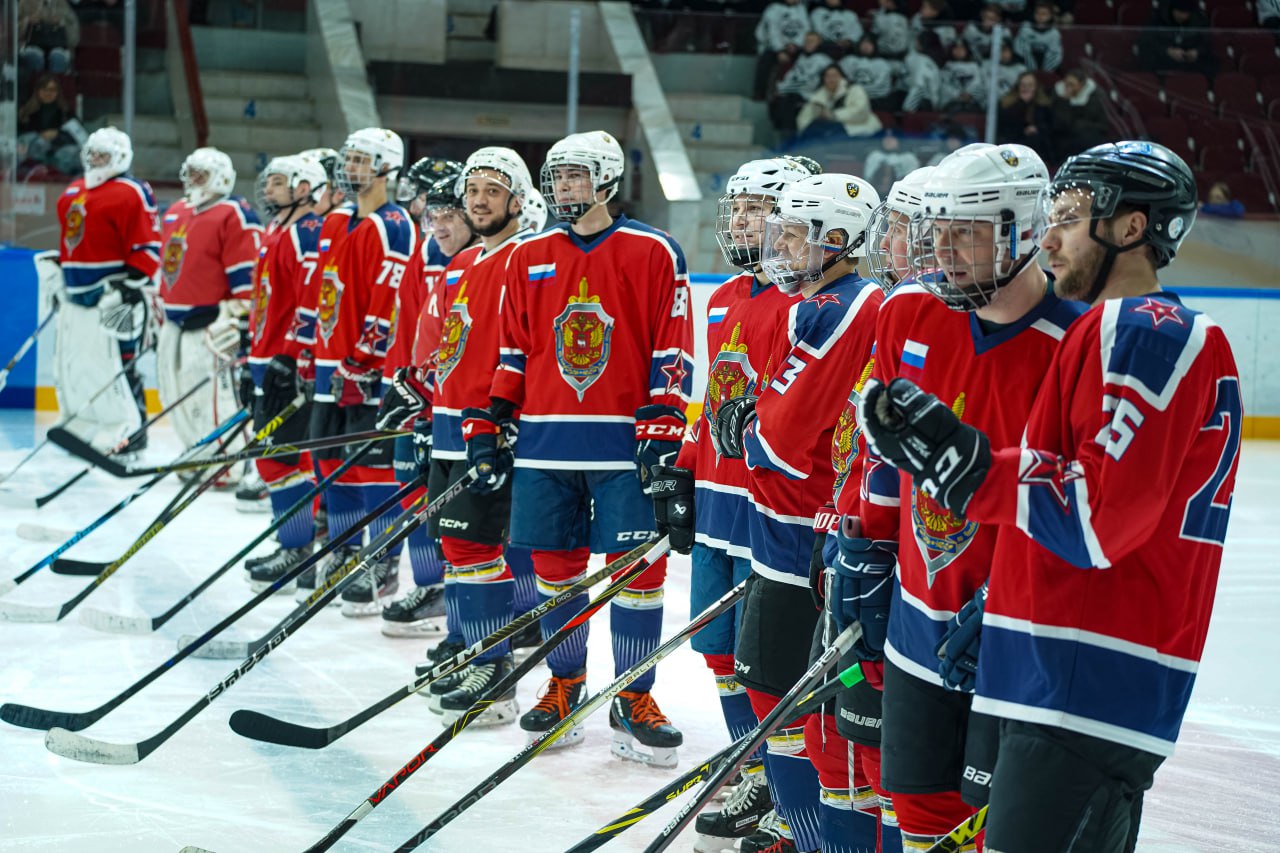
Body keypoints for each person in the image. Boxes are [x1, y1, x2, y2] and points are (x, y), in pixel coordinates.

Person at [857, 140, 1241, 853]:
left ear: (1130, 228)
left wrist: (964, 465)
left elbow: (1094, 518)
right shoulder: (1106, 331)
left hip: (1088, 677)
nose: (1048, 235)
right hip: (1061, 672)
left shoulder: (1145, 328)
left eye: (1065, 216)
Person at [845, 143, 1085, 851]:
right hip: (919, 621)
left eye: (966, 232)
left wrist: (1022, 596)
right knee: (918, 815)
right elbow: (885, 456)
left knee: (998, 829)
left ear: (1019, 229)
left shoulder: (1079, 339)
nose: (943, 249)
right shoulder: (907, 313)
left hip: (1018, 639)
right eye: (937, 230)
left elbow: (1084, 498)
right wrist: (867, 548)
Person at [476, 130, 694, 768]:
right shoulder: (529, 255)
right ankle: (565, 684)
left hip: (624, 449)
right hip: (546, 447)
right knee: (555, 576)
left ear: (605, 179)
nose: (563, 187)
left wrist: (663, 430)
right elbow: (513, 350)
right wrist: (494, 417)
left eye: (574, 176)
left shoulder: (654, 251)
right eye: (556, 177)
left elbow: (671, 349)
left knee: (637, 578)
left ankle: (635, 695)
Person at [694, 172, 883, 853]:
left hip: (802, 539)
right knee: (785, 700)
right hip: (790, 533)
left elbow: (775, 436)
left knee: (790, 704)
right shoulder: (826, 301)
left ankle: (797, 830)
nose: (779, 245)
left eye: (794, 233)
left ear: (837, 240)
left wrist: (749, 427)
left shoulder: (836, 308)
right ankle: (791, 819)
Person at [655, 156, 812, 848]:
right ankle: (754, 770)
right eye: (739, 207)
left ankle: (789, 793)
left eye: (757, 208)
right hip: (718, 507)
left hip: (769, 514)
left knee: (770, 665)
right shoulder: (723, 298)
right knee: (720, 653)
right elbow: (714, 400)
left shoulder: (804, 303)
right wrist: (685, 472)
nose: (742, 220)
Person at [376, 146, 533, 723]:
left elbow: (520, 351)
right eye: (473, 193)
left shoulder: (522, 260)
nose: (476, 203)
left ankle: (494, 673)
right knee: (462, 551)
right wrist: (422, 393)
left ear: (516, 199)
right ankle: (472, 650)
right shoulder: (462, 266)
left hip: (486, 428)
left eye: (491, 192)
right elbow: (451, 348)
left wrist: (501, 416)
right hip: (449, 425)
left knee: (481, 549)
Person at [307, 127, 416, 616]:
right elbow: (326, 294)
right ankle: (347, 550)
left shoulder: (394, 224)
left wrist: (364, 362)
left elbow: (390, 302)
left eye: (359, 160)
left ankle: (383, 562)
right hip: (329, 366)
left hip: (365, 372)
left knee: (373, 469)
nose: (349, 169)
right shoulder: (336, 221)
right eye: (346, 159)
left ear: (385, 167)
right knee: (331, 464)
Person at [240, 154, 329, 590]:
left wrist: (291, 356)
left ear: (302, 187)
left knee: (281, 459)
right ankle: (294, 546)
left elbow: (311, 302)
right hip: (266, 357)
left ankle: (298, 552)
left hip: (285, 363)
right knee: (276, 458)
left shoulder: (306, 233)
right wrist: (250, 356)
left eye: (277, 182)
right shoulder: (275, 230)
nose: (268, 189)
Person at [53, 127, 159, 453]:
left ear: (121, 158)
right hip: (77, 293)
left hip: (115, 293)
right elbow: (75, 240)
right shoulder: (74, 189)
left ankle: (133, 432)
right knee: (80, 364)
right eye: (93, 154)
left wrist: (133, 280)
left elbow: (149, 242)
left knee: (120, 362)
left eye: (104, 155)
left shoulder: (131, 191)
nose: (96, 161)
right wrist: (59, 269)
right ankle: (87, 425)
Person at [157, 147, 262, 471]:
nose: (193, 180)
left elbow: (247, 278)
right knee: (175, 393)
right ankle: (197, 455)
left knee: (215, 398)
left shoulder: (235, 212)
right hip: (173, 322)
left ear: (221, 177)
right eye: (191, 172)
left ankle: (228, 464)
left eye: (200, 174)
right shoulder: (176, 210)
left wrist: (240, 316)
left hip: (210, 325)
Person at [770, 31, 834, 138]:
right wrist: (781, 89)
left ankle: (792, 139)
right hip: (794, 92)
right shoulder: (800, 58)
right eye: (807, 41)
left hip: (810, 95)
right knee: (781, 102)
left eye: (812, 41)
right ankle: (786, 137)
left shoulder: (824, 60)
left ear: (819, 43)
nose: (809, 44)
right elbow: (791, 77)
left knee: (791, 103)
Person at [796, 65, 883, 140]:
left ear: (842, 77)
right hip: (830, 134)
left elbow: (861, 112)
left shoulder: (855, 89)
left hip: (860, 129)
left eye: (834, 75)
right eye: (828, 76)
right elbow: (804, 118)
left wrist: (833, 115)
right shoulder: (819, 96)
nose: (831, 79)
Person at [17, 74, 80, 175]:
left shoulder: (66, 112)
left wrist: (57, 134)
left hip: (59, 156)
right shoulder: (25, 112)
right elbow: (19, 136)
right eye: (44, 89)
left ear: (57, 92)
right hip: (32, 156)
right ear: (38, 91)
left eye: (52, 90)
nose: (48, 93)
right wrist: (38, 137)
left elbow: (76, 137)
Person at [754, 0, 811, 100]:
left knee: (805, 60)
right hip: (772, 46)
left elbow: (806, 28)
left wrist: (796, 44)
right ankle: (760, 93)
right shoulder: (773, 8)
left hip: (794, 46)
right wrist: (780, 50)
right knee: (766, 61)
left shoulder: (801, 8)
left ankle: (795, 93)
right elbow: (773, 32)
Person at [1139, 0, 1214, 77]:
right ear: (1173, 9)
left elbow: (1207, 42)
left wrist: (1197, 51)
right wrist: (1167, 50)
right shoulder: (1158, 17)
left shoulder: (1199, 19)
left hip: (1191, 63)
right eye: (1179, 12)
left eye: (1186, 13)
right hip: (1162, 61)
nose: (1183, 16)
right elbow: (1147, 40)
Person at [998, 71, 1055, 161]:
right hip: (1014, 140)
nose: (1026, 88)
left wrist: (1036, 129)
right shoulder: (1007, 104)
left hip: (1037, 141)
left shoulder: (1043, 105)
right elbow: (1007, 126)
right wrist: (1022, 103)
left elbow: (1049, 126)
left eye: (1030, 85)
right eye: (1023, 85)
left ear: (1036, 87)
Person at [1053, 68, 1110, 158]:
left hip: (1088, 135)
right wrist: (1064, 102)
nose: (1067, 87)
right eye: (1066, 84)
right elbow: (1060, 123)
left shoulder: (1094, 98)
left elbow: (1103, 124)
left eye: (1072, 85)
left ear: (1081, 85)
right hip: (1066, 135)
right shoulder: (1059, 96)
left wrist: (1082, 125)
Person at [18, 0, 77, 80]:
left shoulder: (62, 3)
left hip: (58, 44)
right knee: (33, 56)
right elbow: (14, 29)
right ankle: (35, 89)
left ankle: (54, 89)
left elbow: (74, 34)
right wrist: (28, 21)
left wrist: (61, 22)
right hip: (32, 44)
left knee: (58, 57)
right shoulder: (25, 2)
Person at [839, 35, 901, 112]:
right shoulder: (847, 61)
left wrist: (857, 91)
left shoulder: (883, 64)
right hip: (851, 98)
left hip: (875, 101)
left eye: (869, 43)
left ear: (874, 46)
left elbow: (881, 88)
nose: (866, 46)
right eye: (863, 43)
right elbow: (841, 82)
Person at [864, 131, 922, 197]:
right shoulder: (874, 156)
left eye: (892, 137)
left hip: (902, 196)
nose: (888, 140)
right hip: (876, 195)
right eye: (886, 137)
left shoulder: (909, 158)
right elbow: (868, 180)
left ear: (900, 139)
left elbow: (913, 184)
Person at [1012, 0, 1063, 71]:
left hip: (1046, 70)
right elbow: (1020, 50)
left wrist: (1045, 72)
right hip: (1025, 69)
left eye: (1044, 14)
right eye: (1037, 13)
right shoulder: (1025, 28)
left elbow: (1055, 55)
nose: (1040, 16)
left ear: (1050, 16)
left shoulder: (1054, 33)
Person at [938, 40, 986, 113]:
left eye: (962, 49)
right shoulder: (947, 66)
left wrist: (970, 94)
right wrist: (958, 95)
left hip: (972, 101)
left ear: (967, 51)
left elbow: (978, 83)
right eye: (956, 49)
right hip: (952, 102)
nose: (959, 51)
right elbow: (944, 85)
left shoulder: (975, 66)